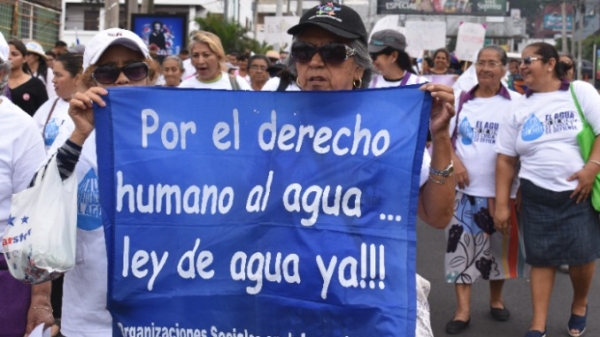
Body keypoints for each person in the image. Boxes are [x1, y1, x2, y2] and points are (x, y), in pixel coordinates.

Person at [286, 3, 455, 336]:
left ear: (359, 68)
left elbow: (437, 216)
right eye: (304, 51)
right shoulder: (266, 132)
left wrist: (440, 137)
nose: (316, 62)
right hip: (291, 292)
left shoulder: (386, 131)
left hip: (376, 296)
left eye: (334, 52)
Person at [35, 27, 159, 336]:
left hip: (158, 315)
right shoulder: (73, 131)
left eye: (133, 69)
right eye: (106, 72)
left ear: (147, 74)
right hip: (88, 319)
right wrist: (80, 134)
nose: (121, 79)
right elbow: (40, 199)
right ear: (90, 80)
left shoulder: (174, 134)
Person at [495, 42, 600, 337]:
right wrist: (502, 203)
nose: (522, 66)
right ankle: (537, 324)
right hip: (536, 195)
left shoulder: (580, 92)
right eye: (521, 62)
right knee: (541, 258)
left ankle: (579, 304)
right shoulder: (518, 106)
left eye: (529, 60)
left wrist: (592, 168)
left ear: (551, 64)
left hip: (578, 194)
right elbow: (505, 159)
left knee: (581, 259)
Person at [444, 45, 525, 334]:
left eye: (493, 63)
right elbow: (443, 136)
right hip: (465, 192)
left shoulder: (516, 102)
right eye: (481, 62)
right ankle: (463, 310)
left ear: (504, 69)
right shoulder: (461, 100)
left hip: (502, 194)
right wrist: (456, 163)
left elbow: (525, 148)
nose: (486, 68)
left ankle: (496, 300)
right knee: (460, 251)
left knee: (498, 252)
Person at [0, 31, 53, 337]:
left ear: (3, 74)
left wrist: (41, 298)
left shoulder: (21, 128)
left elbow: (37, 215)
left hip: (6, 277)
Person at [33, 53, 82, 152]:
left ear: (77, 78)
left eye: (58, 75)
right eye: (54, 74)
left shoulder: (92, 108)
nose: (53, 80)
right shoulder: (49, 106)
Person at [179, 31, 251, 90]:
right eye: (195, 55)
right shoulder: (184, 87)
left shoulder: (237, 84)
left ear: (219, 56)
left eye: (206, 55)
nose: (200, 61)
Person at [8, 39, 48, 116]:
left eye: (14, 54)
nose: (9, 57)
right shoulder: (2, 82)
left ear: (24, 58)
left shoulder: (37, 85)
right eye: (6, 53)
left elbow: (44, 114)